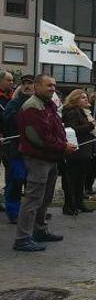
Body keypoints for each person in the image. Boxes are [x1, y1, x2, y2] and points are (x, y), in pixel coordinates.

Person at [13, 74, 76, 252]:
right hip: (38, 159)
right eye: (48, 85)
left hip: (50, 158)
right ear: (37, 86)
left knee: (45, 198)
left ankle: (39, 230)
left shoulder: (48, 105)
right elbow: (38, 138)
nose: (52, 88)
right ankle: (22, 238)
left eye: (54, 86)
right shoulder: (32, 107)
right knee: (33, 199)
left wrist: (62, 145)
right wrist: (63, 146)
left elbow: (55, 129)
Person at [60, 89, 96, 215]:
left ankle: (78, 202)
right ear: (75, 99)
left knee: (80, 179)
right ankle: (70, 205)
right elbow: (72, 129)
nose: (86, 99)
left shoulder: (82, 111)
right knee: (72, 179)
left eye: (86, 97)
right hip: (76, 150)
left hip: (83, 150)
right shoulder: (72, 112)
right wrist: (90, 126)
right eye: (82, 97)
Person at [3, 75, 33, 223]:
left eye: (31, 83)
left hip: (36, 152)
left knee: (33, 183)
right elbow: (8, 121)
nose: (27, 86)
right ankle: (13, 212)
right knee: (17, 180)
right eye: (24, 83)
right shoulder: (15, 103)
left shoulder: (43, 103)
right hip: (17, 150)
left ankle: (32, 211)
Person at [0, 70, 14, 212]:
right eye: (8, 80)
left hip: (8, 140)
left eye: (12, 81)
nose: (11, 83)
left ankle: (9, 198)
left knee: (10, 171)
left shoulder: (11, 97)